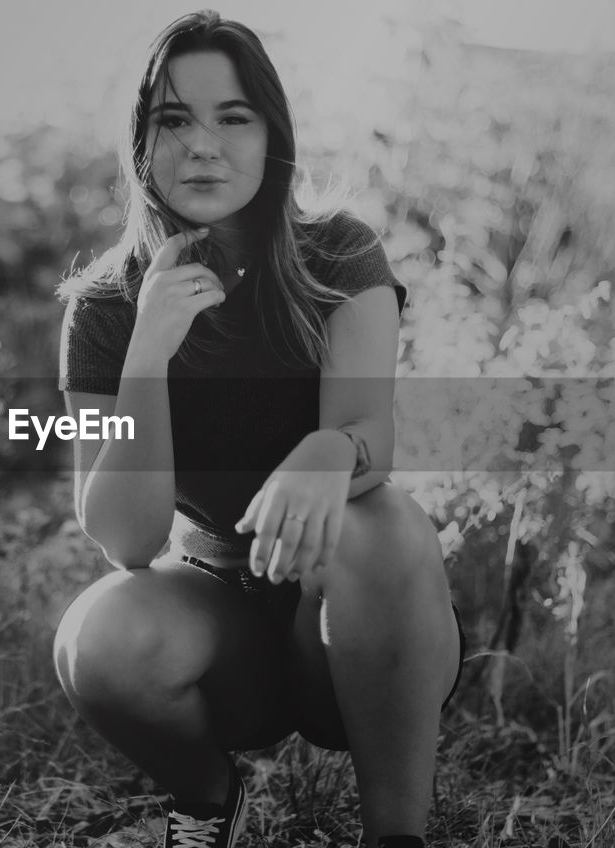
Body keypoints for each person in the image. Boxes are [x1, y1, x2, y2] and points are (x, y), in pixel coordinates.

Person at [53, 11, 463, 848]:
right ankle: (207, 801)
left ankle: (396, 833)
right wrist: (149, 349)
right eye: (174, 120)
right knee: (98, 640)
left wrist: (327, 447)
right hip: (221, 621)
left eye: (232, 117)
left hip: (352, 619)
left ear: (272, 136)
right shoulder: (102, 307)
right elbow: (127, 542)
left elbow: (371, 438)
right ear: (143, 144)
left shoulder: (338, 256)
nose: (202, 144)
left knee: (378, 521)